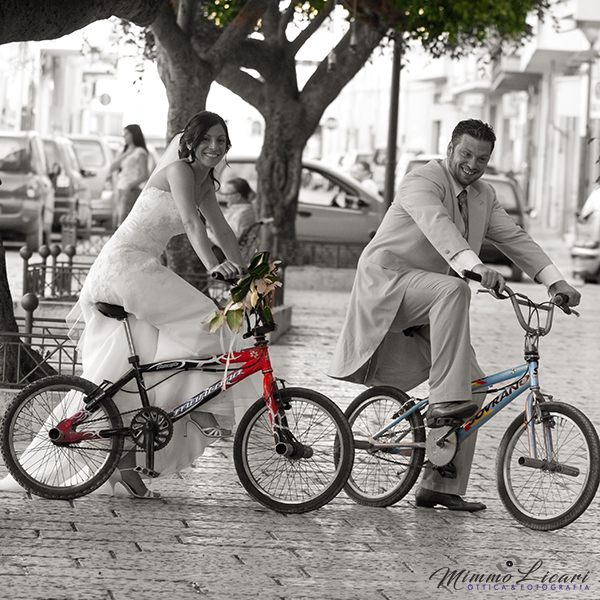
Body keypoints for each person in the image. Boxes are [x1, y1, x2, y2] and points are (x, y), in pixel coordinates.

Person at [0, 111, 260, 499]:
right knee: (211, 323)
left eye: (222, 140)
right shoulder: (178, 171)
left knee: (133, 366)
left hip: (140, 267)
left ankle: (121, 464)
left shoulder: (205, 183)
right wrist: (215, 267)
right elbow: (191, 225)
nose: (214, 146)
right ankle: (201, 408)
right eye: (207, 138)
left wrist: (250, 273)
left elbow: (220, 229)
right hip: (125, 266)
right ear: (189, 141)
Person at [328, 119, 580, 513]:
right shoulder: (422, 180)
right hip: (390, 284)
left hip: (433, 302)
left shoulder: (482, 195)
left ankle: (439, 487)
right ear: (449, 149)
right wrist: (475, 267)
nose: (472, 164)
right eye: (465, 154)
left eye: (482, 158)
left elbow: (514, 238)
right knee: (454, 290)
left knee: (476, 386)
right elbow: (437, 224)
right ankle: (444, 401)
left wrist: (555, 281)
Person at [110, 124, 150, 227]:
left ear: (133, 135)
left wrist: (130, 186)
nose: (124, 137)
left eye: (127, 134)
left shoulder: (140, 152)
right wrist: (127, 153)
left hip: (131, 190)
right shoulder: (124, 151)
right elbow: (112, 167)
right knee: (117, 221)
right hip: (120, 188)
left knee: (124, 222)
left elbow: (145, 174)